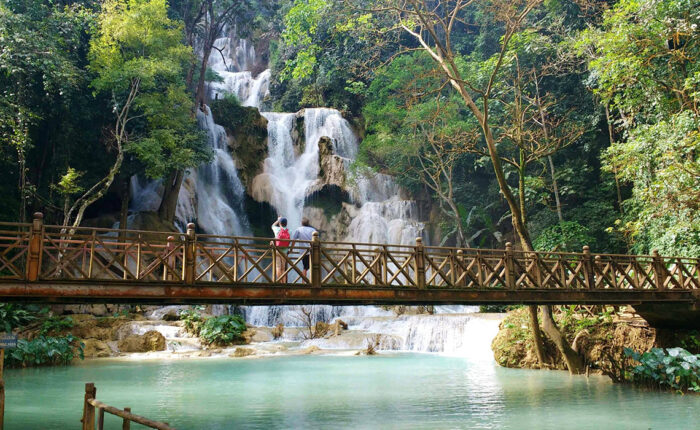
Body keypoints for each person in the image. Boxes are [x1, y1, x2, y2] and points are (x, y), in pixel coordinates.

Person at [271, 217, 290, 282]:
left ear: (280, 223)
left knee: (278, 267)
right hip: (284, 251)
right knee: (283, 268)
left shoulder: (277, 229)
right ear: (286, 224)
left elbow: (272, 225)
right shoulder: (289, 231)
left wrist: (278, 220)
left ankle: (280, 282)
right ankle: (284, 283)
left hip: (277, 250)